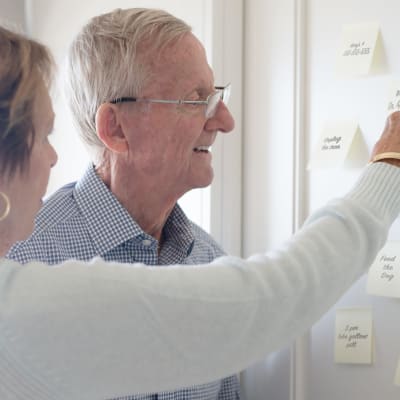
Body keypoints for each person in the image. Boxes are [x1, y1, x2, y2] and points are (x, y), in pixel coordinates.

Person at [3, 8, 400, 400]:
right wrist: (389, 166)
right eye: (196, 100)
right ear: (116, 128)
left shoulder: (208, 257)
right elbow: (279, 293)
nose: (224, 121)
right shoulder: (23, 260)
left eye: (216, 96)